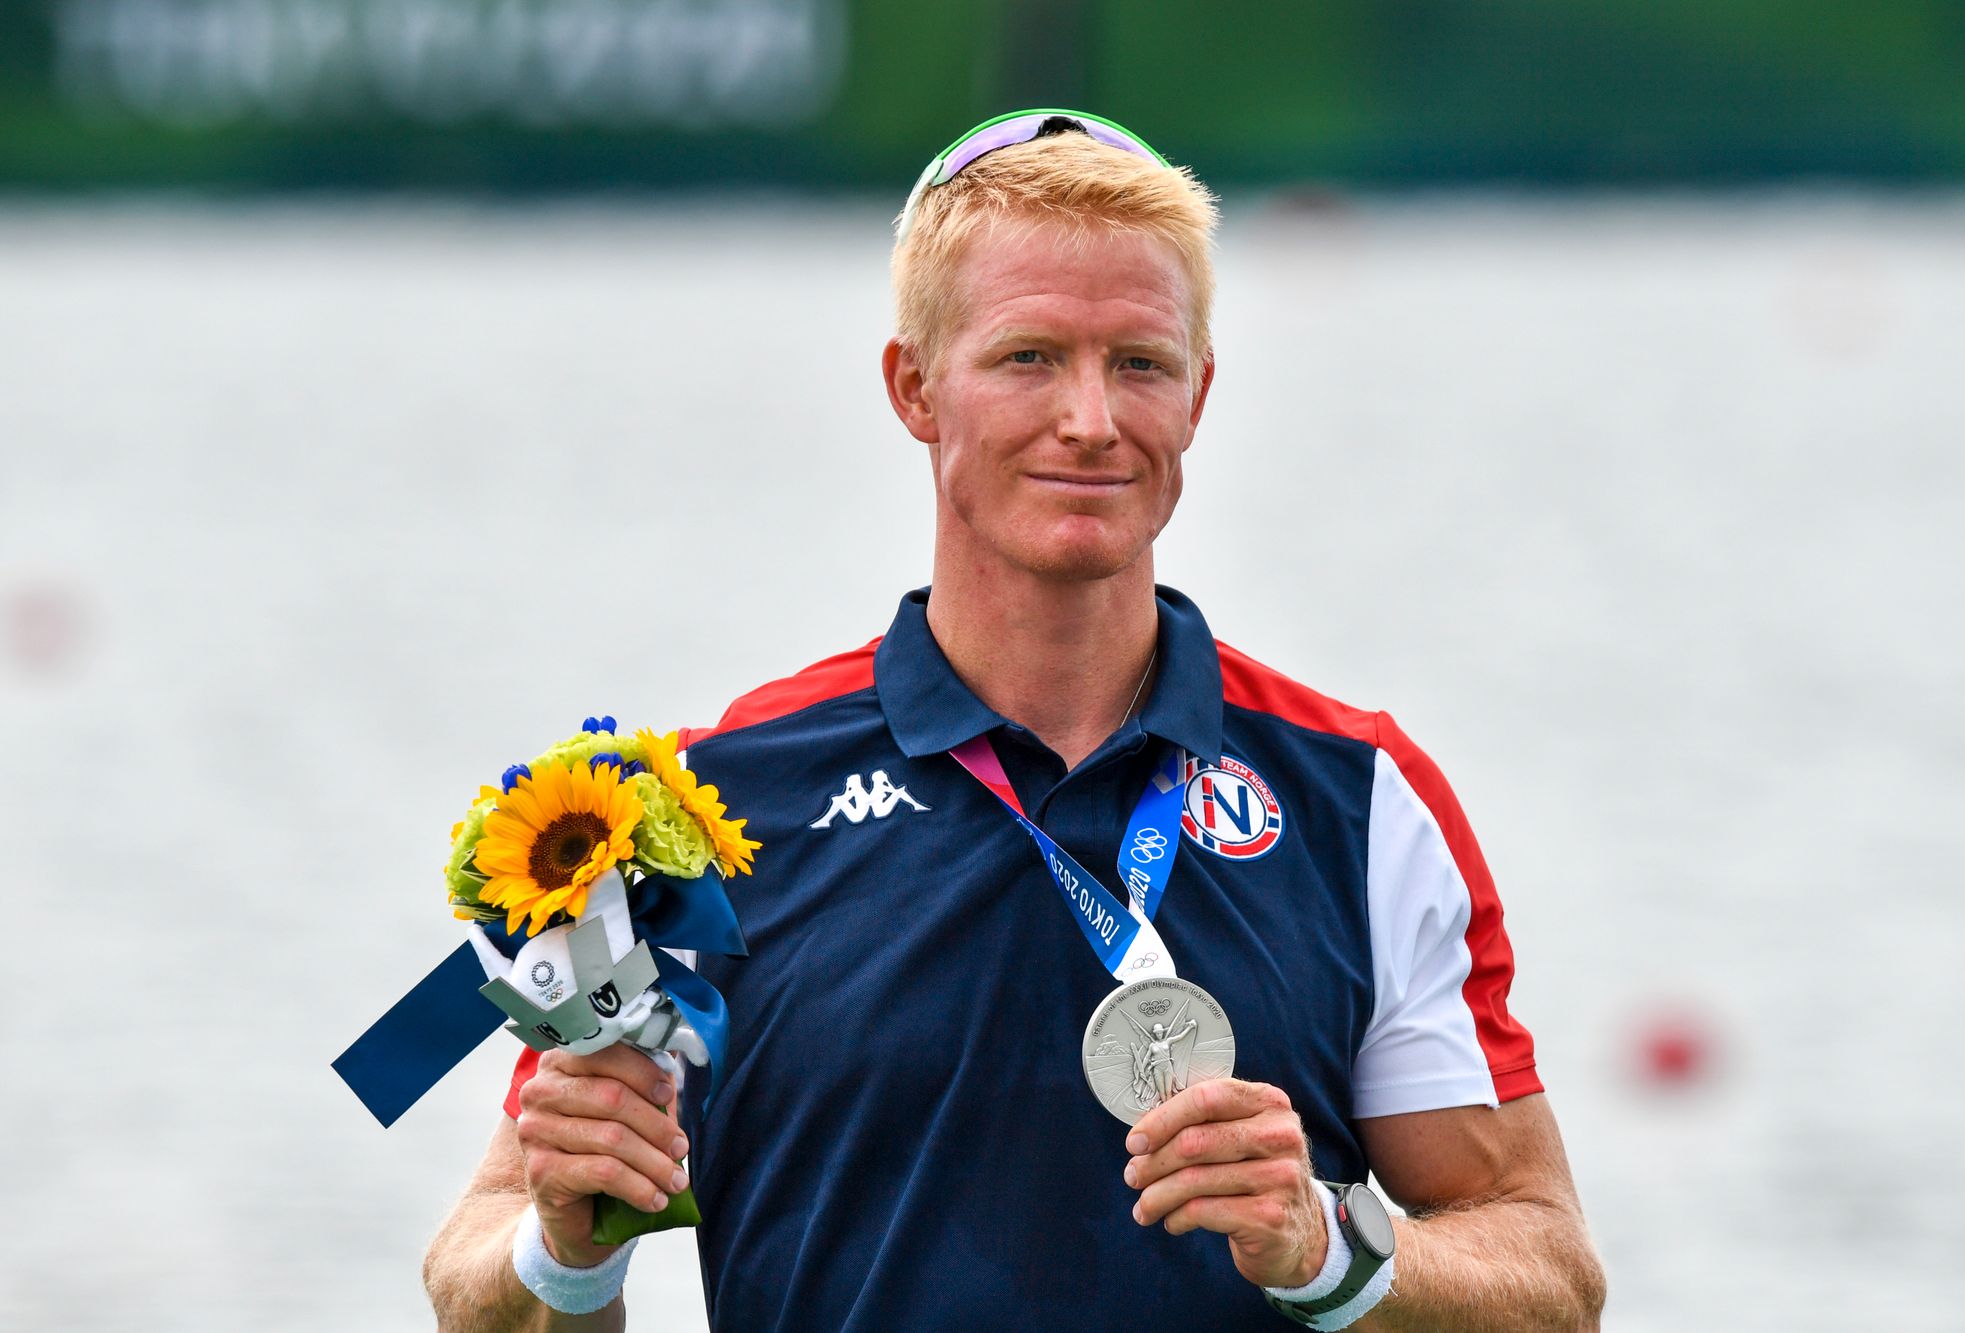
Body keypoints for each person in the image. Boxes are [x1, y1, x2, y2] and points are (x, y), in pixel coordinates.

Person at [422, 110, 1606, 1332]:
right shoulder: (708, 808)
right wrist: (566, 1251)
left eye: (1138, 364)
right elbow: (475, 1279)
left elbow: (1550, 1276)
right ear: (914, 387)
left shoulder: (1358, 797)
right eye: (1028, 357)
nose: (1090, 419)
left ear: (1197, 394)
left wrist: (1330, 1252)